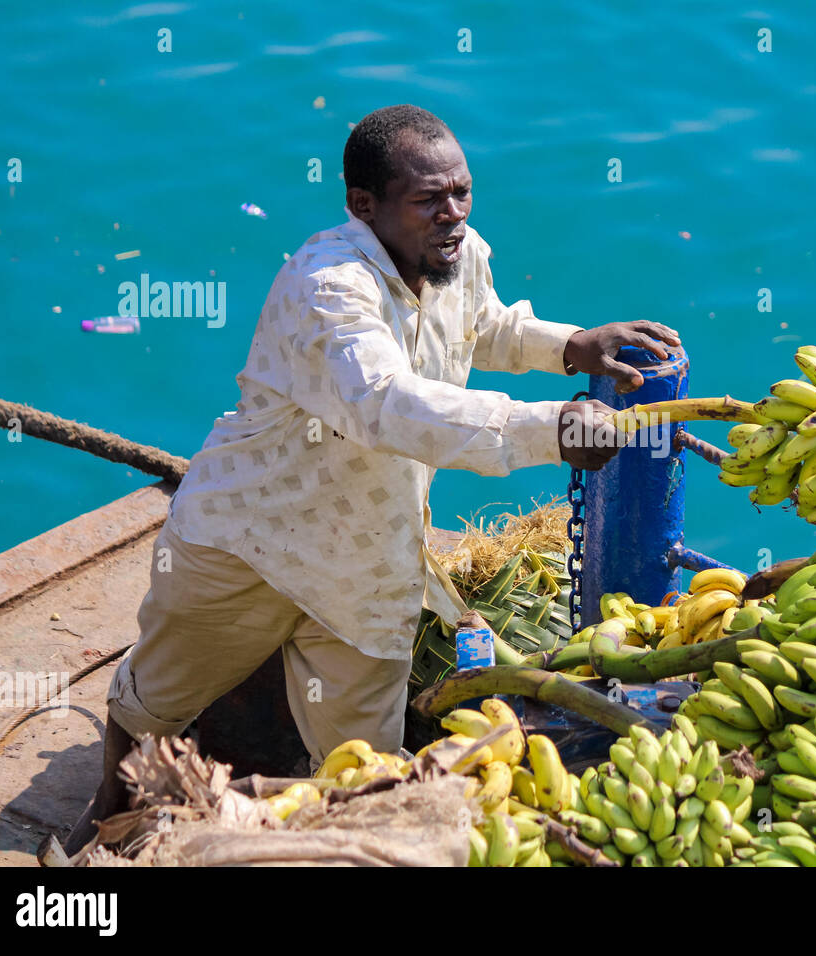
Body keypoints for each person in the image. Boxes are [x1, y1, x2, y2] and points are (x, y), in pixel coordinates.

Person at [61, 104, 678, 854]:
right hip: (252, 543)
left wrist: (573, 345)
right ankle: (100, 817)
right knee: (155, 699)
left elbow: (484, 325)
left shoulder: (460, 253)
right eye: (428, 200)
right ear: (364, 206)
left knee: (365, 775)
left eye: (462, 192)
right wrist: (545, 429)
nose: (452, 214)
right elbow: (386, 405)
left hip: (368, 562)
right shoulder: (327, 288)